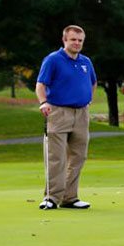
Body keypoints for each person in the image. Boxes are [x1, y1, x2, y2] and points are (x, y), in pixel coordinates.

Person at [36, 25, 97, 210]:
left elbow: (93, 82)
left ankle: (70, 197)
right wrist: (43, 102)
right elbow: (40, 84)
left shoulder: (86, 61)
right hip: (58, 111)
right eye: (73, 40)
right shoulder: (53, 59)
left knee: (79, 156)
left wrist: (88, 100)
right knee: (56, 156)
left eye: (80, 40)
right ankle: (51, 197)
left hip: (81, 114)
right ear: (65, 40)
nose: (77, 43)